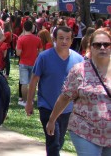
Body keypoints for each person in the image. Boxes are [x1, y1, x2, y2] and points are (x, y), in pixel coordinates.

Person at [46, 30, 111, 155]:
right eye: (97, 45)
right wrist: (52, 120)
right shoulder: (79, 70)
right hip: (85, 130)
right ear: (90, 47)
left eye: (106, 44)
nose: (102, 47)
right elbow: (65, 97)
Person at [24, 26, 84, 156]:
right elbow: (34, 80)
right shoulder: (44, 57)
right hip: (47, 106)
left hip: (67, 109)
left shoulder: (79, 60)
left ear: (72, 40)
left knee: (59, 140)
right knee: (53, 142)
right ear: (54, 39)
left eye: (67, 39)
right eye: (61, 38)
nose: (64, 41)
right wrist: (29, 102)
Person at [17, 20, 43, 106]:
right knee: (33, 83)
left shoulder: (21, 39)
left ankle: (24, 101)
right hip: (34, 63)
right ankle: (31, 100)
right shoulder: (37, 39)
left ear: (24, 28)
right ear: (32, 28)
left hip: (23, 62)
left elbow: (18, 53)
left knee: (24, 82)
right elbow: (41, 51)